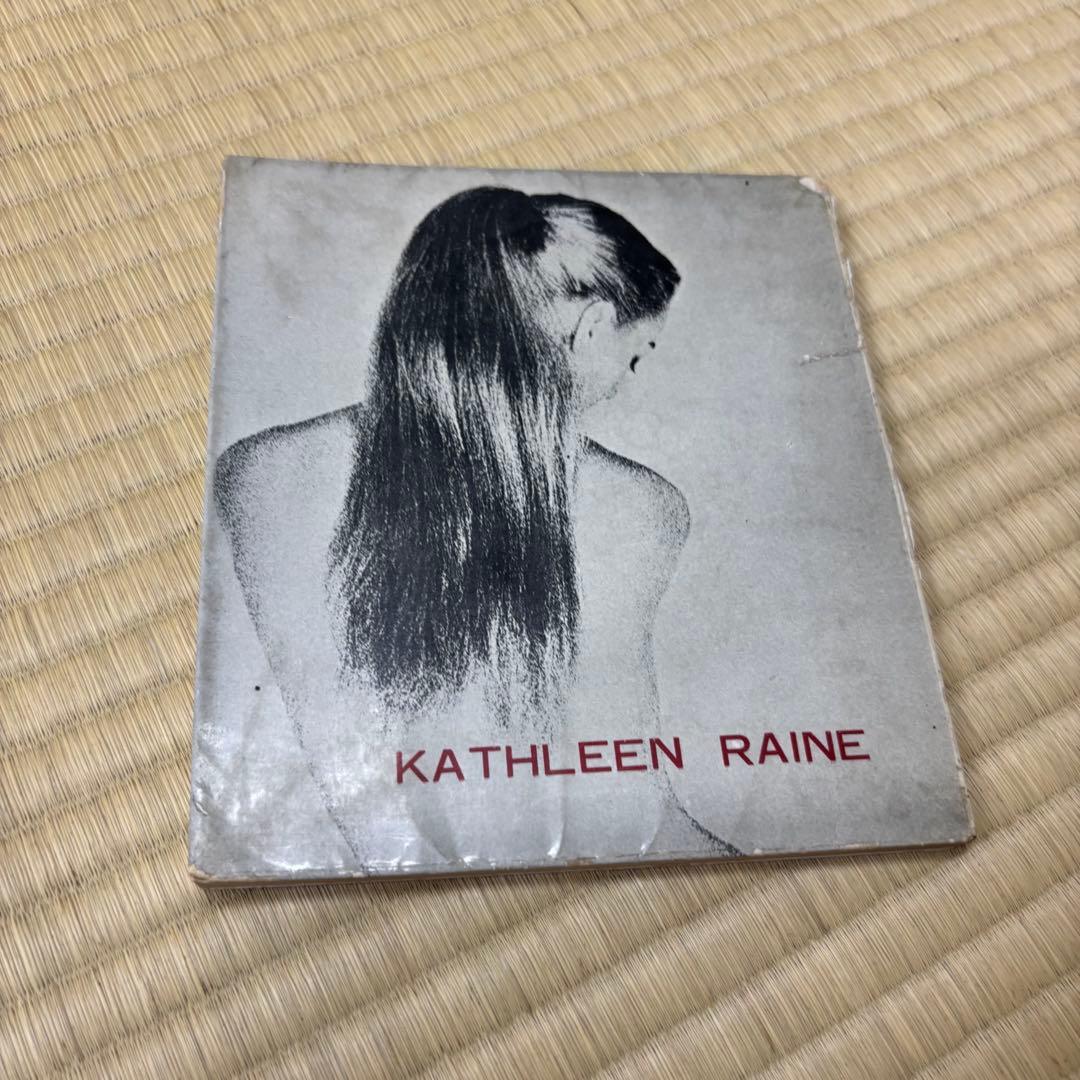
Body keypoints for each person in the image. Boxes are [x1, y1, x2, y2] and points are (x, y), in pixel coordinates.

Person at [214, 186, 737, 867]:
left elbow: (318, 780)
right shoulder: (637, 506)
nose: (631, 376)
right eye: (639, 351)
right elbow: (628, 808)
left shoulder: (260, 470)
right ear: (591, 327)